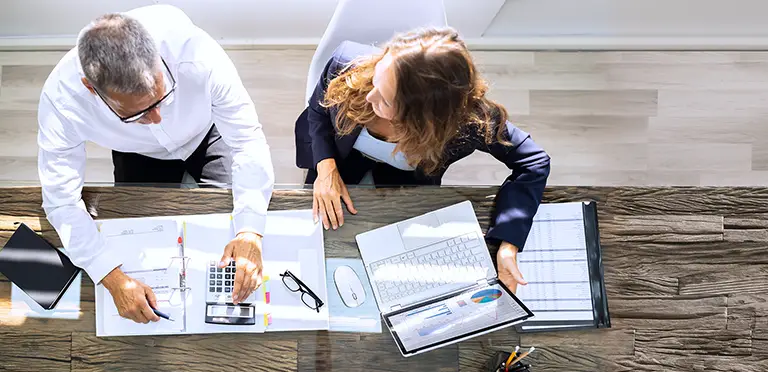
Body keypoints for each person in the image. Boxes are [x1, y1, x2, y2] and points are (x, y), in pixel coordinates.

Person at [37, 5, 274, 323]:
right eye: (136, 113)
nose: (158, 118)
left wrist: (250, 232)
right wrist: (111, 277)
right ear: (91, 88)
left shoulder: (198, 54)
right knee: (141, 237)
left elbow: (246, 142)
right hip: (137, 153)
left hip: (207, 131)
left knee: (222, 236)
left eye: (164, 97)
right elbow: (61, 202)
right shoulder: (61, 102)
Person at [294, 27, 551, 293]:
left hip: (406, 185)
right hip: (337, 156)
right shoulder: (347, 62)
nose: (370, 96)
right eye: (376, 80)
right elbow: (318, 110)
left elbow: (534, 163)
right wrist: (325, 167)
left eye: (385, 99)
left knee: (395, 266)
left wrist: (509, 244)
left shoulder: (471, 122)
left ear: (425, 119)